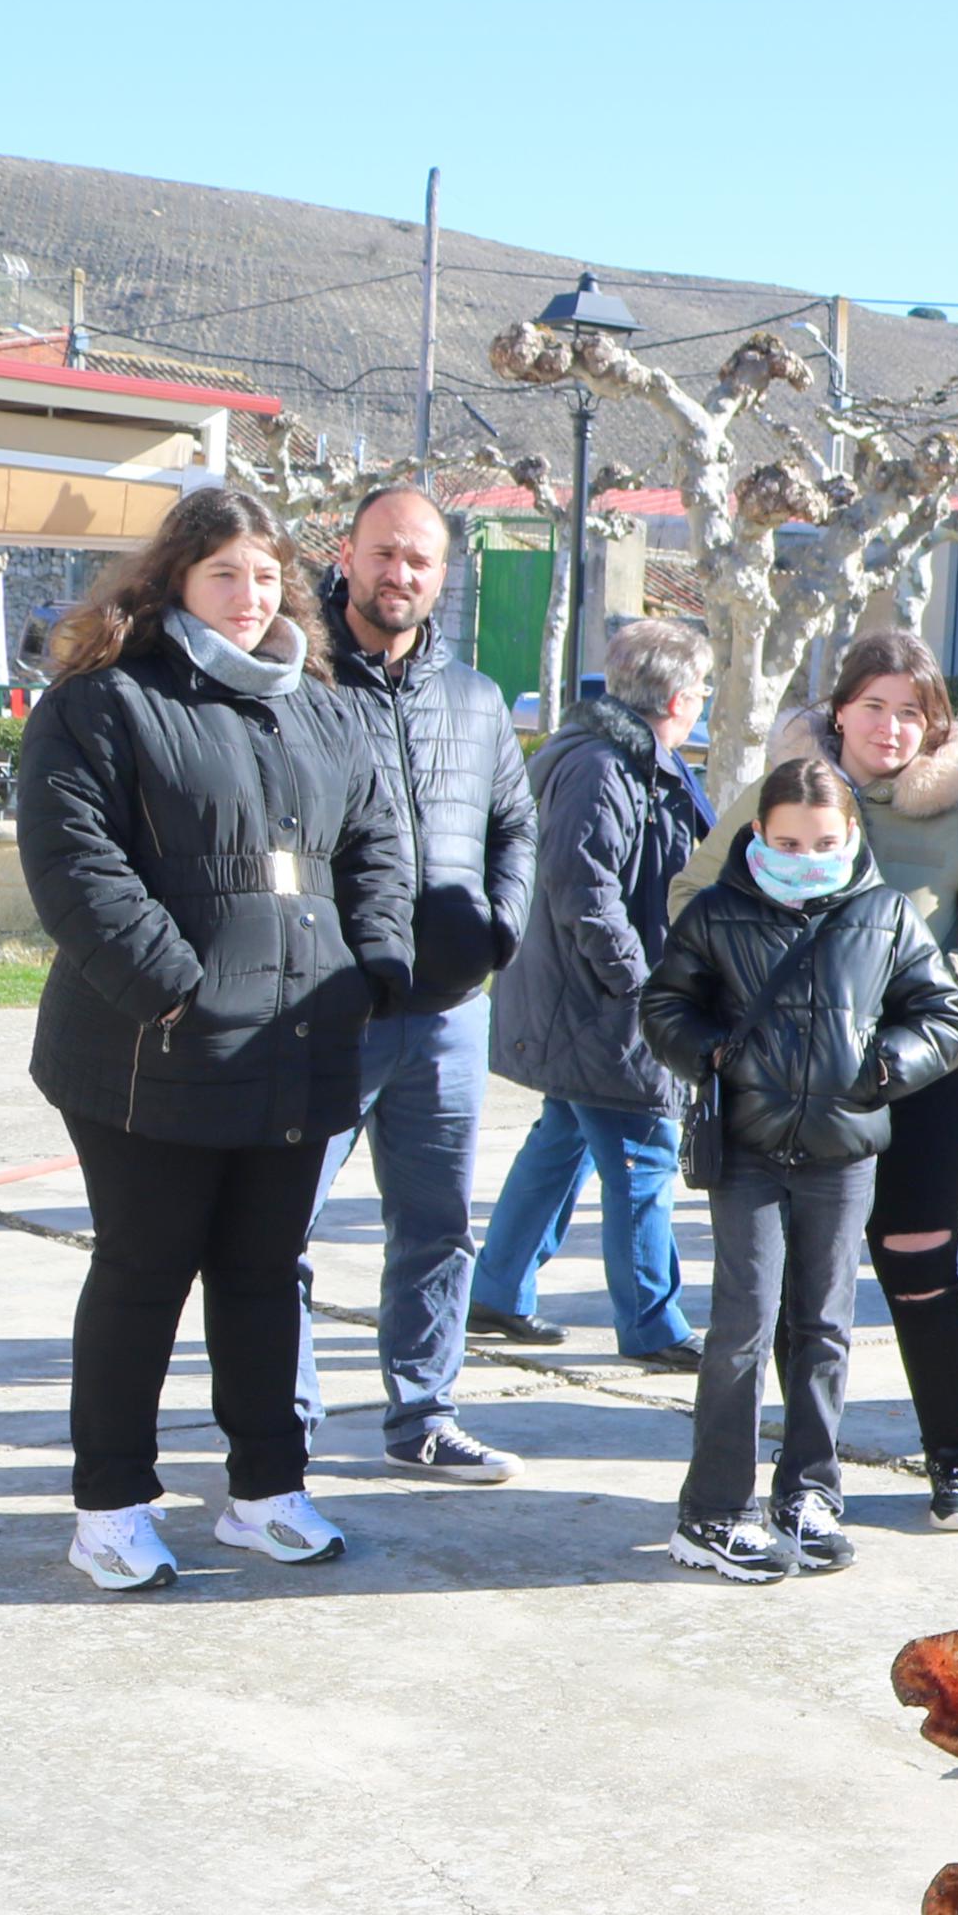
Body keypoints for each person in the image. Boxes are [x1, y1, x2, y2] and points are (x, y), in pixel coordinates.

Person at [11, 486, 411, 1592]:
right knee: (143, 1273)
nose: (249, 595)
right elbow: (72, 862)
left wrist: (374, 968)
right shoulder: (104, 702)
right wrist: (173, 986)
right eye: (224, 573)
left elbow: (379, 844)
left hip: (300, 1040)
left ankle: (266, 1493)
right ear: (174, 579)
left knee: (262, 1276)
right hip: (153, 1048)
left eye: (266, 573)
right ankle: (112, 1507)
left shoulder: (327, 708)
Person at [677, 632, 958, 1531]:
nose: (890, 725)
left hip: (915, 1081)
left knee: (920, 1273)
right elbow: (691, 897)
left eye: (911, 710)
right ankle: (806, 1475)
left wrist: (948, 981)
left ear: (933, 725)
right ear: (838, 710)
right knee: (800, 1289)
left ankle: (951, 1460)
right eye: (874, 705)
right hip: (788, 1087)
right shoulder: (783, 797)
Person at [641, 753, 958, 1581]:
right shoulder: (717, 911)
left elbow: (942, 1017)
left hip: (842, 1152)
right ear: (758, 835)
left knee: (823, 1326)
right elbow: (663, 1002)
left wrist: (882, 1065)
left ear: (850, 834)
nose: (804, 854)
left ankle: (809, 1491)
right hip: (747, 1150)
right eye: (786, 840)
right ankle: (712, 1509)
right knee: (742, 1325)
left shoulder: (886, 914)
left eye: (822, 840)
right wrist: (708, 1050)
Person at [295, 488, 534, 1482]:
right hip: (321, 1019)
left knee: (438, 1229)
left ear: (443, 576)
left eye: (421, 561)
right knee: (280, 1233)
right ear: (345, 553)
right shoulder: (295, 684)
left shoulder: (476, 701)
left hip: (446, 1018)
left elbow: (515, 825)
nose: (400, 574)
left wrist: (498, 931)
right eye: (384, 553)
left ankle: (424, 1417)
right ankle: (282, 1430)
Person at [470, 620, 713, 1370]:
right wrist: (643, 994)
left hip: (581, 1001)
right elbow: (585, 890)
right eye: (700, 689)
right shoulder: (605, 766)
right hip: (599, 1004)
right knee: (642, 1151)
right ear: (676, 697)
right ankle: (652, 1323)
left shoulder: (614, 756)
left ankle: (498, 1289)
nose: (701, 700)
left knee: (563, 1142)